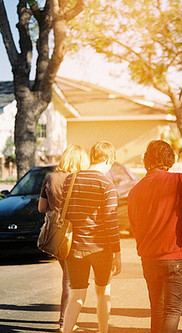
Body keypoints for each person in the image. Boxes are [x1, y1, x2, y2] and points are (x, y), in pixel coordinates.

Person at [127, 140, 182, 333]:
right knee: (172, 311)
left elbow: (132, 225)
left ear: (147, 160)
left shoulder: (135, 190)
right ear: (170, 160)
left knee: (157, 310)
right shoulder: (178, 181)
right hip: (172, 257)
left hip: (148, 259)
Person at [61, 141, 121, 333]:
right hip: (101, 249)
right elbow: (111, 223)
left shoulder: (70, 180)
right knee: (103, 292)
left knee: (77, 295)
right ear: (109, 160)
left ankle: (66, 330)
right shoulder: (107, 185)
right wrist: (117, 253)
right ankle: (103, 331)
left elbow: (63, 212)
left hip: (74, 248)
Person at [38, 144, 90, 332]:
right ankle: (65, 323)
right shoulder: (80, 180)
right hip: (78, 235)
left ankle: (67, 321)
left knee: (68, 278)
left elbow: (41, 208)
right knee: (71, 281)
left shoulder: (50, 178)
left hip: (58, 235)